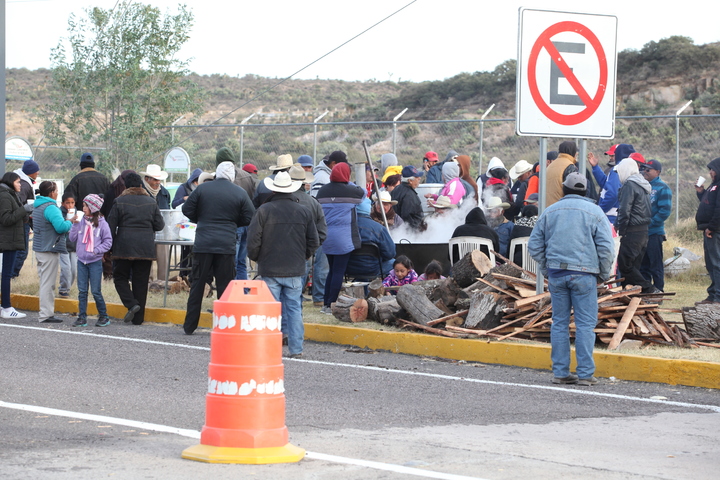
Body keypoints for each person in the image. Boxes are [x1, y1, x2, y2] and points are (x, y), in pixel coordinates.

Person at [528, 172, 614, 386]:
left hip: (557, 274)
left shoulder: (550, 211)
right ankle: (585, 374)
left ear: (564, 189)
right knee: (585, 324)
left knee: (559, 323)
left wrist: (547, 268)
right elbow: (606, 248)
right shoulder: (595, 212)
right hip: (585, 275)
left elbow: (534, 246)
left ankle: (560, 372)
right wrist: (603, 274)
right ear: (585, 191)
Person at [248, 171, 319, 357]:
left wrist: (257, 258)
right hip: (295, 269)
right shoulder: (304, 211)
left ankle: (270, 348)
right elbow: (314, 240)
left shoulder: (263, 210)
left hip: (270, 268)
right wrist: (302, 257)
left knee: (271, 309)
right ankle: (296, 349)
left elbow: (253, 240)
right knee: (294, 308)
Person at [182, 161, 255, 335]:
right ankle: (224, 324)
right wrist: (233, 223)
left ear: (216, 174)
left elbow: (186, 209)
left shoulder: (202, 189)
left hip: (203, 244)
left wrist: (200, 218)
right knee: (225, 286)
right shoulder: (240, 192)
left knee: (198, 284)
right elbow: (250, 216)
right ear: (232, 176)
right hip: (226, 245)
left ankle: (190, 325)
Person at [107, 172, 165, 325]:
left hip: (123, 247)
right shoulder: (151, 202)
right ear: (141, 185)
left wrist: (109, 247)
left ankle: (132, 304)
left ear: (125, 187)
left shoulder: (119, 201)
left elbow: (110, 227)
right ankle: (138, 319)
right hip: (145, 248)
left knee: (120, 277)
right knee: (141, 281)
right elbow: (160, 225)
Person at [316, 162, 365, 313]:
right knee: (338, 272)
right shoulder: (351, 191)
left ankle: (325, 303)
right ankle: (331, 304)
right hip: (344, 239)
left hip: (326, 238)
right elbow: (363, 193)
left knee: (332, 271)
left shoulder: (322, 191)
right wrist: (348, 182)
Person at [33, 181, 78, 323]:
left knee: (45, 281)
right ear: (52, 192)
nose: (57, 192)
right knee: (48, 283)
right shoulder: (51, 208)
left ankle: (46, 312)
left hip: (40, 248)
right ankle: (46, 314)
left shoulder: (38, 206)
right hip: (49, 249)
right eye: (57, 190)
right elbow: (60, 227)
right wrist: (71, 221)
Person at [309, 151, 348, 306]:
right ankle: (319, 297)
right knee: (322, 264)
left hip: (324, 225)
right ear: (334, 165)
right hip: (322, 226)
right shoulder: (322, 178)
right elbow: (316, 203)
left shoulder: (323, 176)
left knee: (327, 266)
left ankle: (322, 297)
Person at [68, 194, 113, 327]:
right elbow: (72, 238)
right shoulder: (81, 221)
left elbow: (108, 241)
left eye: (85, 206)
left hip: (95, 262)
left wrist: (97, 250)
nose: (83, 208)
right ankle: (82, 317)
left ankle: (104, 316)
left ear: (93, 207)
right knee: (82, 291)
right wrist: (74, 224)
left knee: (95, 291)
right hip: (82, 261)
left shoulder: (102, 224)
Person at [615, 157, 656, 293]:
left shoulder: (629, 185)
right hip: (643, 231)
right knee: (634, 266)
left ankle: (649, 289)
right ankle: (633, 295)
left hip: (632, 231)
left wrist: (621, 230)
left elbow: (625, 210)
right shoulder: (642, 184)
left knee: (625, 265)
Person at [0, 172, 32, 318]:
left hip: (10, 240)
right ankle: (6, 307)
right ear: (11, 182)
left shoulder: (10, 194)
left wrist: (25, 211)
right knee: (6, 274)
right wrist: (24, 209)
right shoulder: (5, 196)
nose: (20, 184)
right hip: (8, 241)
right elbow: (6, 219)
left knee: (6, 274)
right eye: (18, 182)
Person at [639, 159, 672, 292]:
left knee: (655, 265)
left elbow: (665, 211)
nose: (645, 172)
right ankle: (647, 291)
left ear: (657, 172)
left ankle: (659, 291)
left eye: (648, 170)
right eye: (644, 169)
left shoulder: (663, 188)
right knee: (643, 266)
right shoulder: (642, 185)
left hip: (654, 233)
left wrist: (650, 223)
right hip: (642, 233)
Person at [345, 197, 396, 279]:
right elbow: (390, 253)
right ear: (369, 209)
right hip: (373, 269)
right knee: (394, 262)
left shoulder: (344, 226)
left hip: (349, 269)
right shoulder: (379, 229)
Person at [99, 169, 135, 280]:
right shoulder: (114, 192)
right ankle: (112, 276)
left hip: (118, 229)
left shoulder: (113, 190)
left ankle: (114, 276)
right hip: (117, 228)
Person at [695, 157, 720, 305]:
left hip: (714, 230)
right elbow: (708, 204)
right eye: (710, 170)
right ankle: (712, 295)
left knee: (716, 263)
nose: (710, 172)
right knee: (710, 263)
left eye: (713, 170)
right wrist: (701, 192)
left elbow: (718, 209)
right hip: (708, 229)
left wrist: (712, 227)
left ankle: (718, 297)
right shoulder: (714, 185)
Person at [140, 164, 171, 281]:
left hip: (161, 229)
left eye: (159, 179)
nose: (158, 182)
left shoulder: (164, 192)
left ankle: (163, 282)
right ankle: (148, 281)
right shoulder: (140, 190)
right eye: (155, 179)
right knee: (146, 259)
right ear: (147, 179)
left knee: (163, 257)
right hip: (145, 230)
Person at [11, 159, 40, 278]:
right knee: (22, 251)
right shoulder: (23, 185)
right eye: (36, 171)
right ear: (30, 172)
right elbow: (21, 203)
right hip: (22, 221)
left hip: (20, 221)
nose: (37, 173)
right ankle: (13, 275)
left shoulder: (22, 181)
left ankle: (11, 274)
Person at [597, 143, 636, 223]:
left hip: (610, 216)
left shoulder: (617, 169)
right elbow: (607, 185)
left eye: (613, 155)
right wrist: (595, 168)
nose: (611, 158)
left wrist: (600, 210)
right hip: (621, 214)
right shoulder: (633, 170)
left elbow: (613, 194)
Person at [545, 141, 579, 207]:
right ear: (573, 153)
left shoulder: (550, 166)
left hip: (549, 208)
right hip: (563, 208)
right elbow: (573, 193)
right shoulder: (569, 166)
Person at [391, 165, 425, 230]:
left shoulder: (397, 189)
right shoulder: (409, 195)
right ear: (410, 181)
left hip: (397, 229)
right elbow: (408, 218)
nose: (419, 178)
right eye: (416, 177)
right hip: (409, 232)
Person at [58, 193, 78, 298]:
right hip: (63, 245)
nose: (70, 205)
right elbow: (60, 227)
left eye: (72, 203)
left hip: (74, 245)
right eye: (67, 203)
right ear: (62, 203)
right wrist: (68, 220)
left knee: (74, 270)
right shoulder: (59, 213)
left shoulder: (77, 213)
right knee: (66, 268)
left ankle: (67, 288)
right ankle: (63, 289)